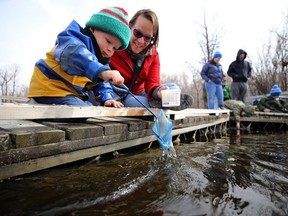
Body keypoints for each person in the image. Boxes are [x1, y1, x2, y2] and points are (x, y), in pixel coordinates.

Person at [28, 7, 131, 108]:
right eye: (108, 41)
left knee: (87, 109)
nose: (110, 50)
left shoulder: (101, 62)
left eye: (114, 48)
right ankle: (37, 106)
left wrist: (107, 98)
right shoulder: (73, 39)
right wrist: (101, 72)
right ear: (93, 29)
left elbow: (101, 83)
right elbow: (75, 55)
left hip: (68, 94)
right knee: (82, 111)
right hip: (49, 88)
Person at [110, 9, 193, 110]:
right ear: (130, 27)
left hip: (141, 93)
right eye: (138, 33)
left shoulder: (154, 54)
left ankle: (161, 101)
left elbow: (152, 82)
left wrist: (159, 91)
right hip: (116, 94)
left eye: (147, 38)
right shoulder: (115, 44)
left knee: (173, 87)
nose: (141, 41)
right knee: (130, 101)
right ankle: (163, 104)